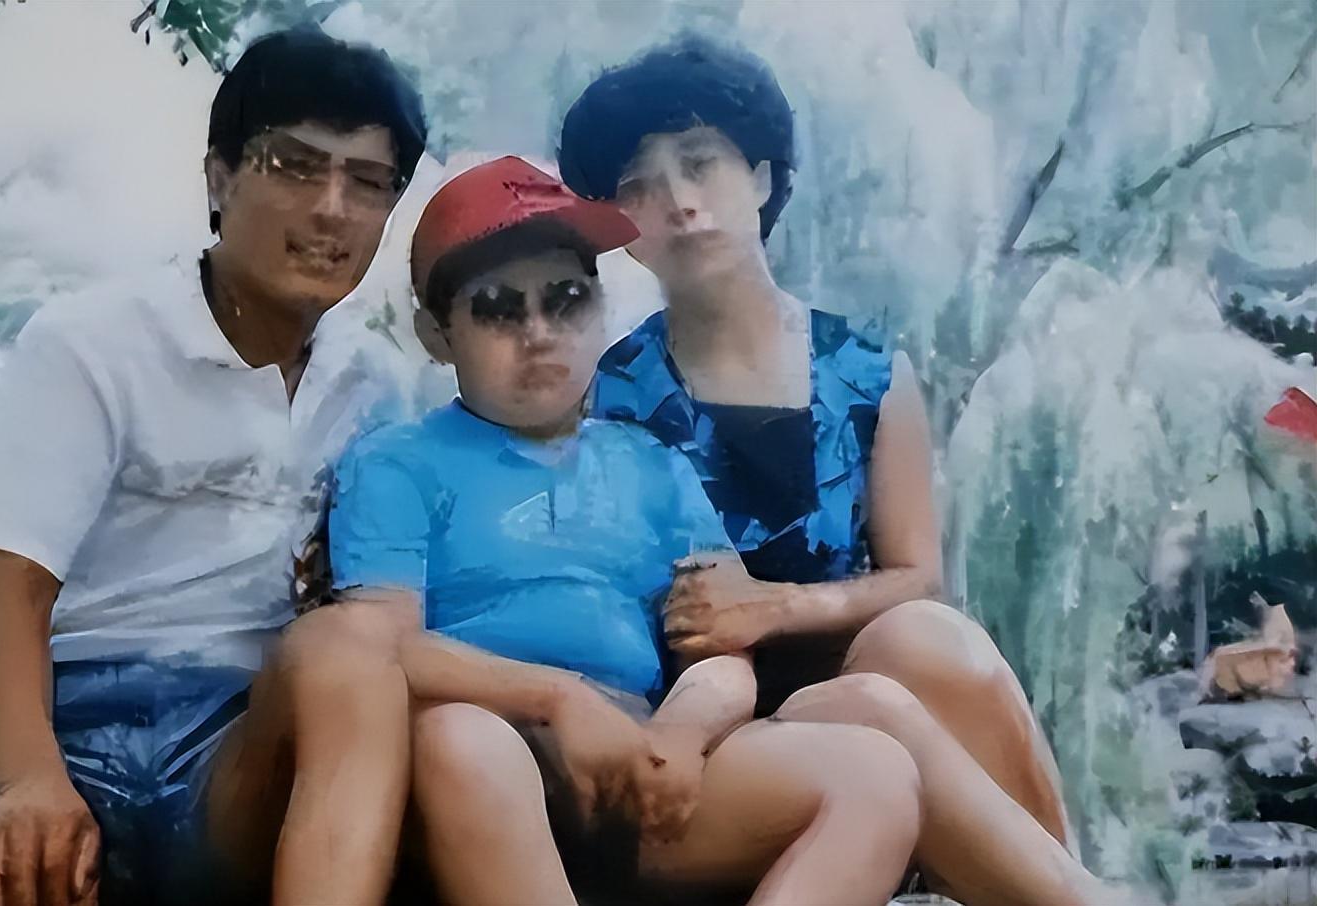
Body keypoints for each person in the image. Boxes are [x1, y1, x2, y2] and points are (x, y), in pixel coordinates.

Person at [331, 156, 1108, 906]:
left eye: (565, 299)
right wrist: (557, 699)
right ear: (437, 333)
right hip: (488, 743)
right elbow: (381, 645)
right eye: (498, 307)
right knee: (462, 740)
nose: (538, 331)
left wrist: (680, 733)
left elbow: (718, 647)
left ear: (599, 308)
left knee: (874, 773)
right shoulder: (398, 462)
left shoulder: (651, 465)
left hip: (635, 747)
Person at [559, 34, 1075, 889]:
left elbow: (917, 576)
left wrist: (774, 608)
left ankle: (1067, 878)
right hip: (699, 724)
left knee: (926, 638)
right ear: (620, 227)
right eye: (639, 186)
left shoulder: (866, 372)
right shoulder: (606, 396)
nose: (679, 203)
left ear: (762, 178)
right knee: (872, 704)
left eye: (701, 165)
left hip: (858, 684)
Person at [0, 27, 433, 905]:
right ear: (220, 177)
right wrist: (29, 781)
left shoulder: (376, 387)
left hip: (238, 743)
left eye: (368, 182)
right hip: (64, 716)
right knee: (10, 867)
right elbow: (9, 587)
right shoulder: (92, 343)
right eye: (295, 166)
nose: (332, 209)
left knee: (348, 654)